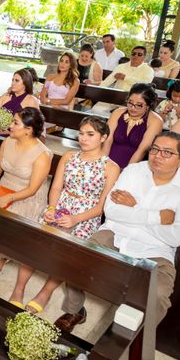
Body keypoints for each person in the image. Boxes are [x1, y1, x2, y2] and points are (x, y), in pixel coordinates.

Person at [54, 132, 180, 332]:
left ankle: (134, 340)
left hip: (155, 250)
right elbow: (111, 210)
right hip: (114, 235)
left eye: (167, 152)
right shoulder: (133, 171)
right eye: (155, 149)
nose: (157, 156)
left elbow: (176, 236)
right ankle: (75, 310)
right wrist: (158, 217)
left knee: (159, 294)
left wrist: (133, 208)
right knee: (76, 259)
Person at [9, 117, 120, 313]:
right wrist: (52, 208)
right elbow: (57, 186)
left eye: (90, 134)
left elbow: (103, 205)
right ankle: (18, 290)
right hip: (60, 204)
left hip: (86, 214)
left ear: (103, 137)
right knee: (36, 245)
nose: (83, 138)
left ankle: (45, 293)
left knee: (65, 254)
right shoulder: (69, 156)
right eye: (81, 133)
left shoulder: (110, 167)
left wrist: (75, 219)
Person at [0, 107, 52, 274]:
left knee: (7, 218)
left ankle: (0, 257)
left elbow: (33, 189)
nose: (10, 125)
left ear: (28, 130)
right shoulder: (8, 141)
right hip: (4, 186)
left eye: (15, 123)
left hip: (25, 194)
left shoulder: (42, 154)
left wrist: (10, 198)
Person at [104, 83, 163, 169]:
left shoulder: (155, 121)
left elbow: (142, 150)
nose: (132, 108)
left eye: (139, 105)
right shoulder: (118, 113)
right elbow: (107, 141)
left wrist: (126, 172)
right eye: (130, 103)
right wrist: (103, 163)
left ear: (148, 105)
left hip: (134, 166)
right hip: (109, 161)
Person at [0, 69, 40, 135]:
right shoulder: (5, 96)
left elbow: (34, 125)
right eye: (12, 80)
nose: (13, 83)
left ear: (26, 83)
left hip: (18, 136)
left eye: (17, 80)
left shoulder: (32, 100)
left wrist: (9, 132)